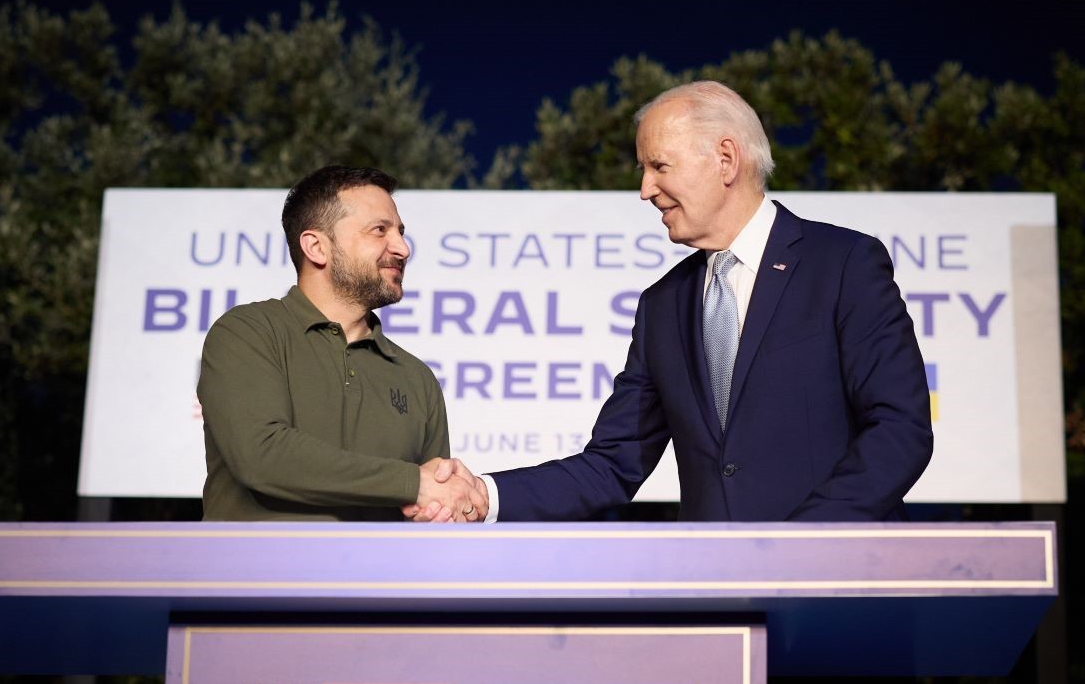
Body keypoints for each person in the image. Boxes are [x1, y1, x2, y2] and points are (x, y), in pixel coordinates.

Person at [410, 81, 933, 522]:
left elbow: (900, 427)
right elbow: (614, 462)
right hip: (718, 598)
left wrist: (802, 545)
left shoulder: (843, 264)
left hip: (842, 587)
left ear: (725, 159)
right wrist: (485, 494)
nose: (644, 189)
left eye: (659, 166)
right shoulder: (663, 304)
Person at [200, 165, 485, 521]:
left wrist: (445, 506)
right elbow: (262, 454)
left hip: (377, 577)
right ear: (316, 247)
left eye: (400, 232)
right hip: (256, 576)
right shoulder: (248, 332)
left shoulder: (417, 378)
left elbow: (433, 505)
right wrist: (413, 483)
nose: (402, 248)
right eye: (379, 230)